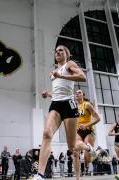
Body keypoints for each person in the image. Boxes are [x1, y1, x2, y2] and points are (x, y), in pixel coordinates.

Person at [32, 45, 86, 180]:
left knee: (72, 146)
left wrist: (61, 75)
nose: (57, 52)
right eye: (56, 51)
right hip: (55, 104)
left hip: (69, 105)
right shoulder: (53, 72)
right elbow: (59, 91)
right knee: (46, 134)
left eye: (61, 50)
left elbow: (82, 77)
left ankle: (88, 147)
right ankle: (40, 175)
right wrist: (48, 94)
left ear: (66, 54)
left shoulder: (69, 64)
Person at [74, 89, 100, 178]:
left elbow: (98, 118)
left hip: (88, 131)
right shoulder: (73, 106)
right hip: (78, 131)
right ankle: (78, 176)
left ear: (83, 96)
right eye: (76, 93)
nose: (77, 93)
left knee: (86, 151)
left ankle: (87, 166)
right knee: (75, 150)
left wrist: (86, 125)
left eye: (79, 92)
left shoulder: (87, 105)